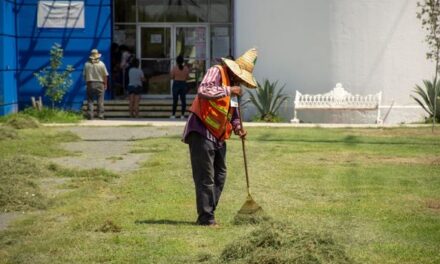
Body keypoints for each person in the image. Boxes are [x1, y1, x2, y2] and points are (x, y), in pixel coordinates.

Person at [182, 48, 258, 227]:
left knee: (220, 175)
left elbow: (234, 111)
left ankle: (208, 210)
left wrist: (238, 127)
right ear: (234, 70)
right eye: (241, 77)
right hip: (201, 129)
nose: (241, 81)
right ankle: (206, 218)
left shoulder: (235, 87)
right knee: (205, 177)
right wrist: (229, 89)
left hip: (218, 134)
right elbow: (203, 90)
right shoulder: (216, 71)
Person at [83, 49, 109, 120]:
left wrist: (87, 83)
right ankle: (100, 115)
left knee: (90, 100)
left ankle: (90, 115)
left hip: (90, 83)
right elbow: (105, 75)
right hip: (100, 83)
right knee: (100, 100)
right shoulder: (101, 64)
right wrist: (105, 84)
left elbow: (84, 76)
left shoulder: (86, 64)